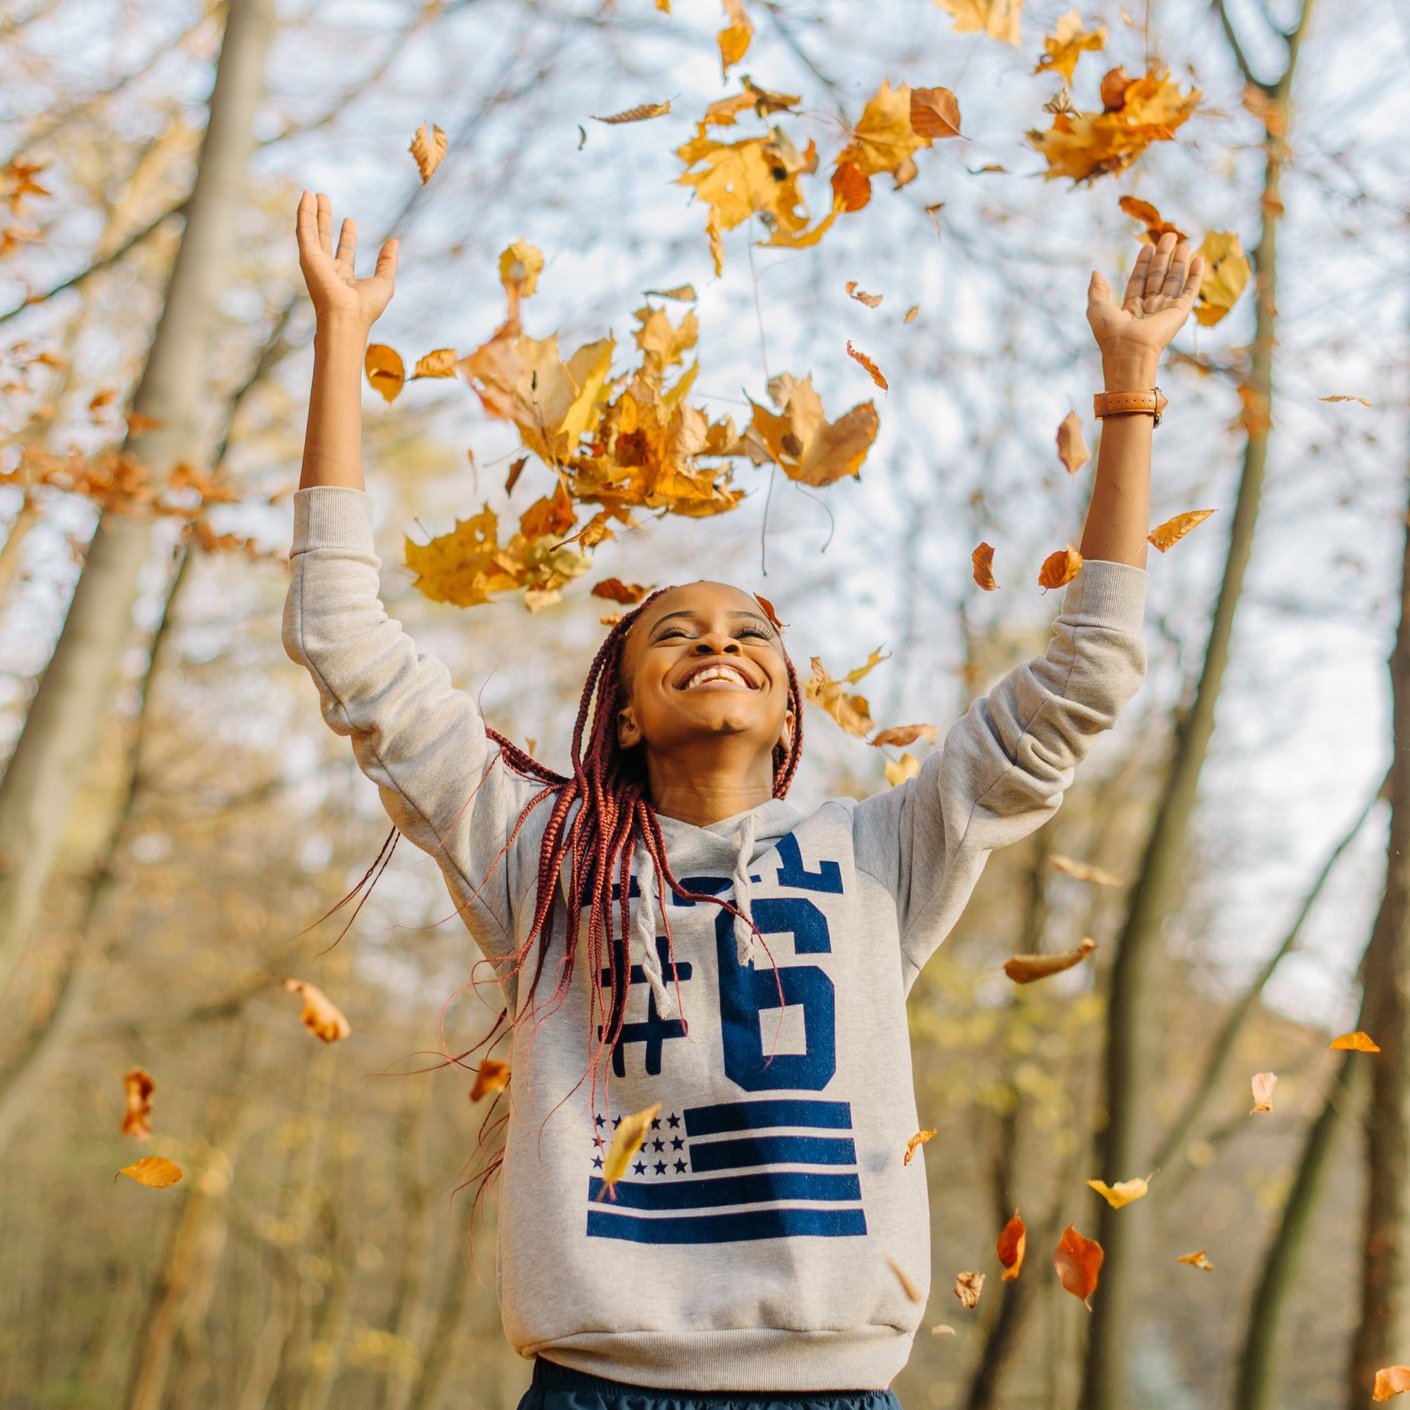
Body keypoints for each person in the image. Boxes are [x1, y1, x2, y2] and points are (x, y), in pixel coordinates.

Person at [282, 189, 1203, 1409]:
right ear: (619, 705)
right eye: (674, 631)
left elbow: (1085, 676)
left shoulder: (881, 854)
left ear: (786, 712)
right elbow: (341, 635)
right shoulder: (540, 857)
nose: (715, 642)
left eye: (748, 638)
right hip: (598, 1384)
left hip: (835, 1389)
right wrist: (341, 339)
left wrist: (1129, 390)